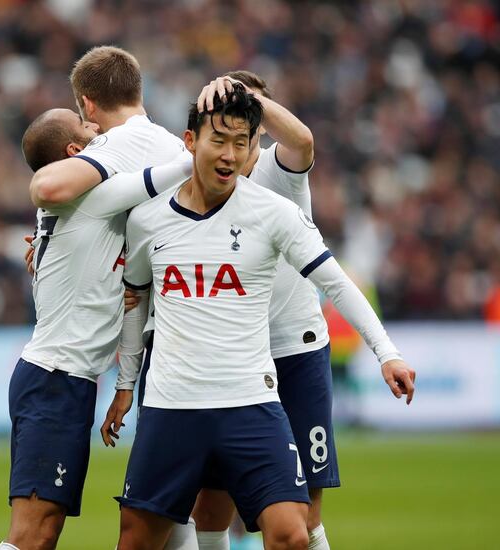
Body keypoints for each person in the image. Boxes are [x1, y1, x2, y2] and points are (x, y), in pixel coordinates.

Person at [109, 86, 415, 550]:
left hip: (250, 404)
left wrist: (386, 353)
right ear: (190, 141)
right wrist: (126, 384)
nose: (231, 153)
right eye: (220, 140)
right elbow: (134, 300)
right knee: (137, 540)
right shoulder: (148, 219)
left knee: (294, 533)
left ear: (255, 147)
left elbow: (336, 282)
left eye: (243, 142)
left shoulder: (274, 212)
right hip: (172, 405)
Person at [0, 45, 190, 550]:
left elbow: (133, 272)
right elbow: (149, 180)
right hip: (54, 377)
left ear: (87, 101)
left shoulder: (98, 188)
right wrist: (200, 156)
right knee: (33, 535)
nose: (96, 136)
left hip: (69, 378)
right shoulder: (97, 186)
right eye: (86, 137)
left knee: (54, 530)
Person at [180, 70, 339, 550]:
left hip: (293, 349)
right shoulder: (202, 175)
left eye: (254, 115)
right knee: (210, 503)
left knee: (304, 512)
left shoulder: (280, 168)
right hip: (232, 356)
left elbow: (304, 140)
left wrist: (247, 96)